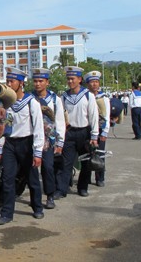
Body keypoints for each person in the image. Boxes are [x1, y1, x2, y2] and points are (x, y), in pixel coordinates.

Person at [0, 67, 45, 225]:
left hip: (27, 143)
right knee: (8, 178)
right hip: (10, 143)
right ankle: (7, 212)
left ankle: (37, 208)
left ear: (21, 83)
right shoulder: (6, 103)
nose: (9, 84)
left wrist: (37, 152)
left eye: (12, 81)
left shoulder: (31, 102)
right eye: (8, 81)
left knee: (32, 178)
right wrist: (1, 148)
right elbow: (2, 126)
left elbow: (38, 128)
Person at [55, 66, 98, 199]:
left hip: (84, 132)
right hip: (70, 133)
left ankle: (82, 187)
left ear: (79, 79)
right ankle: (61, 189)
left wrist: (94, 135)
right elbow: (60, 116)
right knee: (66, 163)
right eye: (68, 79)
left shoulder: (88, 95)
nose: (70, 81)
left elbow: (93, 115)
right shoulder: (64, 96)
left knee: (85, 162)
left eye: (72, 79)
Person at [31, 68, 66, 209]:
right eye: (35, 81)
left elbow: (60, 121)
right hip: (33, 138)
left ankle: (50, 195)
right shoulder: (30, 98)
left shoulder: (55, 100)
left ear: (47, 82)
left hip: (49, 140)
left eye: (41, 81)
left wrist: (60, 141)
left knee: (48, 168)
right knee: (32, 170)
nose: (38, 84)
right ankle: (35, 198)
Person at [84, 71, 109, 187]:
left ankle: (100, 178)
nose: (94, 84)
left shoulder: (103, 98)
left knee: (100, 154)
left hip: (100, 129)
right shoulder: (85, 96)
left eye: (96, 82)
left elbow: (107, 116)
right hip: (87, 129)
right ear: (87, 84)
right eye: (92, 82)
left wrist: (105, 131)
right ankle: (86, 177)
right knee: (86, 154)